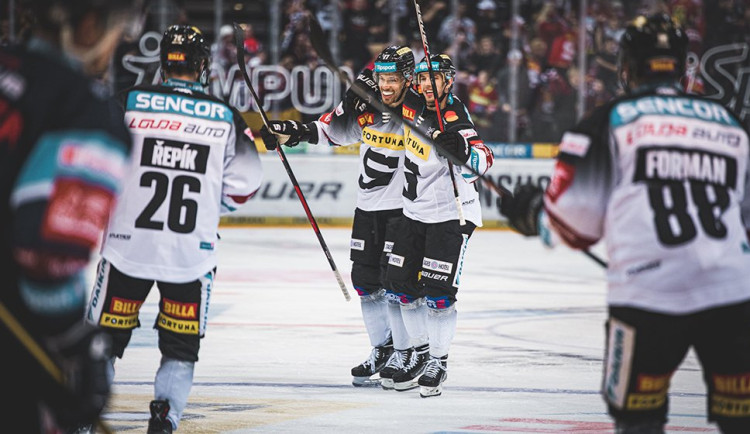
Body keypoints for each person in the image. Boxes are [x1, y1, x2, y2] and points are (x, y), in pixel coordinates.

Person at [499, 14, 750, 433]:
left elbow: (576, 224)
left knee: (638, 419)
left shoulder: (609, 119)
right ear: (684, 68)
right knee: (740, 420)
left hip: (648, 295)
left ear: (627, 68)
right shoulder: (729, 122)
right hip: (734, 293)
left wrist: (534, 213)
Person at [84, 25, 262, 433]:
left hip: (127, 249)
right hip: (190, 255)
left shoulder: (127, 103)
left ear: (163, 62)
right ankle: (165, 417)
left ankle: (83, 418)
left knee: (102, 344)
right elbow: (246, 187)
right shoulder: (225, 116)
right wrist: (207, 202)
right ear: (202, 65)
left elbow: (93, 160)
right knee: (180, 350)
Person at [0, 0, 142, 432]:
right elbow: (49, 254)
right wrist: (75, 343)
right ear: (89, 25)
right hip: (17, 346)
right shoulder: (84, 109)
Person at [260, 45, 416, 389]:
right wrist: (291, 131)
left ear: (408, 78)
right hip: (368, 206)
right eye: (381, 78)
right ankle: (383, 348)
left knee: (396, 286)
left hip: (404, 209)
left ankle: (406, 353)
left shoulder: (421, 104)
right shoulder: (366, 97)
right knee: (365, 283)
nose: (386, 85)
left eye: (393, 79)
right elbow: (333, 129)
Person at [386, 54, 494, 397]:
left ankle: (438, 360)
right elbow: (384, 90)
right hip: (414, 212)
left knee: (438, 295)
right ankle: (419, 354)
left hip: (451, 215)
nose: (426, 86)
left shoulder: (454, 117)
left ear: (448, 81)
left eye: (434, 80)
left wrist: (461, 150)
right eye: (422, 79)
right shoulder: (413, 100)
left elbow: (483, 158)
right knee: (400, 287)